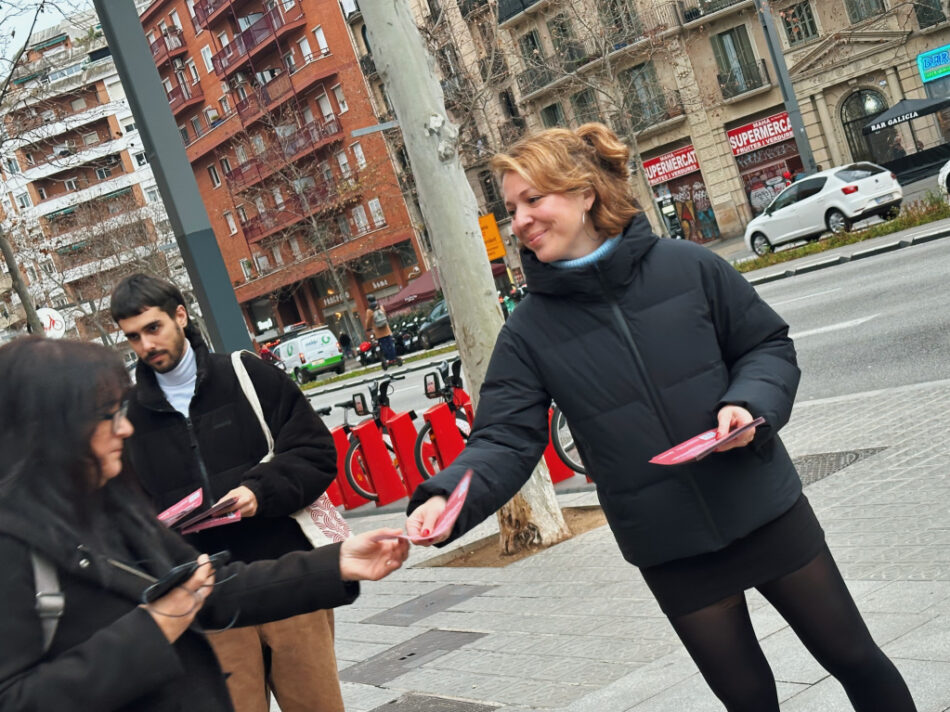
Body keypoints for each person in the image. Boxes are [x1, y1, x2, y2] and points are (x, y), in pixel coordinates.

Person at [405, 124, 917, 712]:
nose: (518, 221)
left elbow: (767, 347)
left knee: (853, 656)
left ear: (584, 193)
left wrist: (747, 403)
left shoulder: (688, 266)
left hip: (764, 505)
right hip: (669, 543)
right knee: (749, 701)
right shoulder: (528, 331)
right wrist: (448, 496)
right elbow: (503, 437)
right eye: (510, 207)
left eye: (532, 200)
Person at [0, 336, 409, 712]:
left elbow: (211, 587)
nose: (125, 428)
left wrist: (336, 563)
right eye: (107, 416)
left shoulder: (111, 505)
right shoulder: (13, 546)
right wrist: (155, 626)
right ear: (50, 430)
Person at [109, 274, 348, 712]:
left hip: (287, 580)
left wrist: (260, 491)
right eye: (133, 337)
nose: (146, 345)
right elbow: (124, 515)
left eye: (153, 328)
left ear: (180, 315)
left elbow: (316, 453)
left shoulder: (246, 374)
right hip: (209, 605)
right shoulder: (129, 421)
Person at [364, 294, 400, 366]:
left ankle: (389, 360)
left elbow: (368, 321)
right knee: (390, 344)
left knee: (384, 346)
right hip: (386, 329)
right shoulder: (380, 307)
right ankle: (394, 358)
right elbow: (385, 316)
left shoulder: (369, 311)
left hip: (379, 332)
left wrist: (367, 328)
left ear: (368, 301)